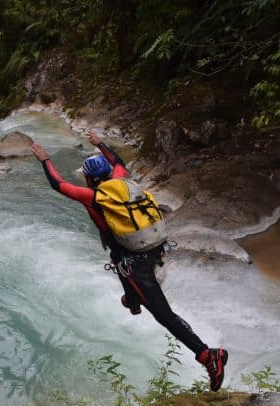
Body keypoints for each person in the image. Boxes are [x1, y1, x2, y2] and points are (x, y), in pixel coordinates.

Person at [30, 133, 228, 391]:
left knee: (163, 314)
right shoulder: (122, 181)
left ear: (89, 179)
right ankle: (133, 300)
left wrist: (45, 159)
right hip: (151, 249)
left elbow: (58, 184)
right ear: (108, 173)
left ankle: (207, 355)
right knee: (126, 274)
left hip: (134, 262)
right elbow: (119, 161)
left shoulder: (93, 197)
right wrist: (99, 143)